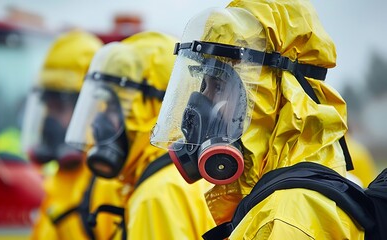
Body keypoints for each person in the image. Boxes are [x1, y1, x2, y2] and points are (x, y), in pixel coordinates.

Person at [150, 0, 367, 239]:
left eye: (219, 85)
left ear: (276, 97)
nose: (203, 100)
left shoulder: (285, 219)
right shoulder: (278, 199)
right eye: (204, 84)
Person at [66, 31, 216, 239]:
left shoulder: (156, 196)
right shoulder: (190, 178)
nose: (99, 121)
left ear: (150, 109)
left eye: (112, 106)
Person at [21, 30, 124, 240]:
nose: (49, 121)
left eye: (58, 108)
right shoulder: (61, 177)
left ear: (88, 109)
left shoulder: (107, 185)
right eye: (47, 108)